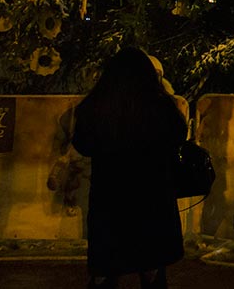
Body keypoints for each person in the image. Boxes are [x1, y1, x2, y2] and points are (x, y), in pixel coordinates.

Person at [71, 48, 189, 289]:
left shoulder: (96, 107)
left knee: (105, 269)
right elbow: (178, 135)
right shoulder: (160, 106)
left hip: (110, 200)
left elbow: (82, 144)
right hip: (152, 198)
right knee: (152, 268)